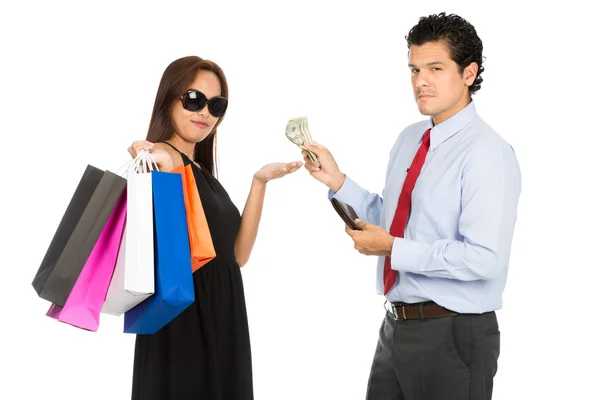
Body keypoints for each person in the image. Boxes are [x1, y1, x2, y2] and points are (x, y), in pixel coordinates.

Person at [302, 12, 521, 400]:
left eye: (435, 68)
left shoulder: (487, 152)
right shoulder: (410, 138)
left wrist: (392, 249)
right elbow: (392, 220)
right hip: (395, 327)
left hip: (454, 334)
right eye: (415, 69)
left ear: (469, 73)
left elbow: (485, 258)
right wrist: (337, 181)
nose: (421, 81)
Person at [127, 55, 301, 400]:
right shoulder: (169, 156)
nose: (205, 112)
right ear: (169, 99)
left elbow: (237, 255)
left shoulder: (204, 175)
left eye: (216, 104)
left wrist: (259, 182)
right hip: (187, 316)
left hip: (223, 312)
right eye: (194, 100)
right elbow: (157, 158)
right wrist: (144, 151)